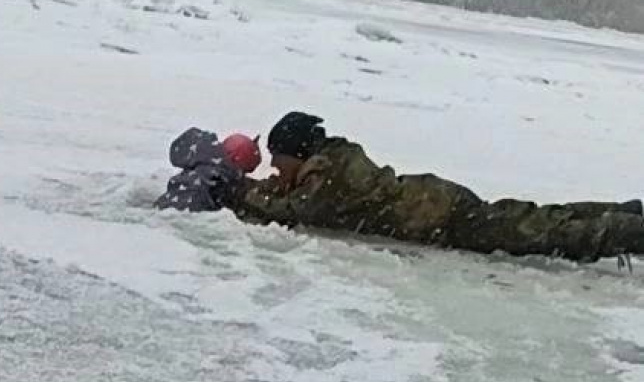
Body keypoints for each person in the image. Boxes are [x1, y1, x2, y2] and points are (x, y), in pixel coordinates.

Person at [231, 111, 644, 262]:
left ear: (297, 154)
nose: (273, 167)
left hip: (443, 218)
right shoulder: (330, 163)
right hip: (438, 203)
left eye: (277, 159)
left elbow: (298, 211)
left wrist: (237, 193)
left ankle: (626, 231)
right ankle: (622, 212)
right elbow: (298, 196)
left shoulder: (328, 177)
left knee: (540, 233)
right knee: (531, 218)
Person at [154, 128, 262, 213]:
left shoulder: (203, 165)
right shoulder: (219, 179)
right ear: (236, 161)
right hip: (181, 215)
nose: (242, 175)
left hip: (165, 205)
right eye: (245, 170)